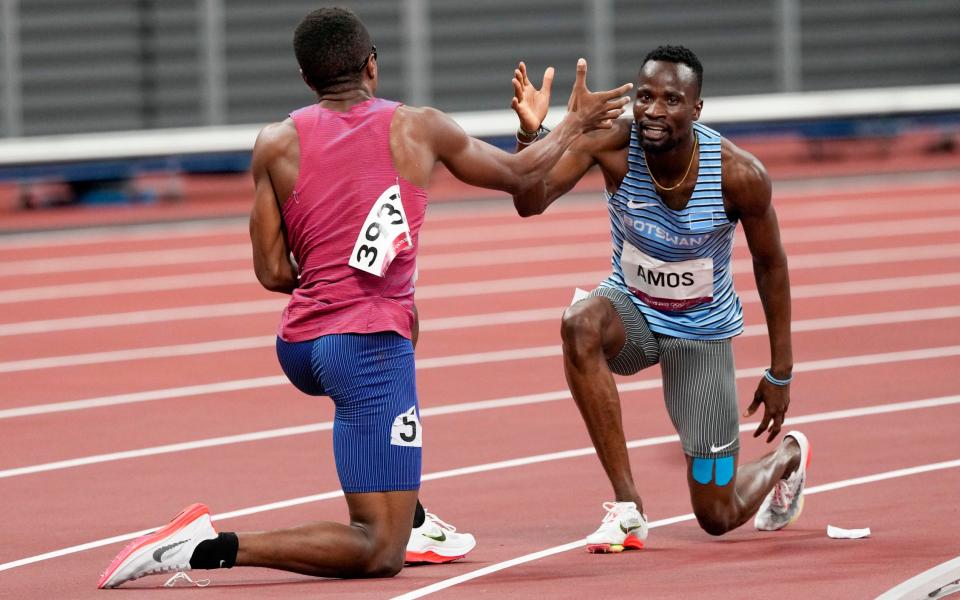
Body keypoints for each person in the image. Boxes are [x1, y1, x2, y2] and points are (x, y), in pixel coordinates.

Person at [97, 6, 632, 588]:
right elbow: (521, 176)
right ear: (372, 66)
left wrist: (332, 275)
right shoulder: (417, 127)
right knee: (379, 549)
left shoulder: (275, 142)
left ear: (306, 79)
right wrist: (570, 126)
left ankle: (416, 513)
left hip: (301, 345)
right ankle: (202, 546)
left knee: (406, 317)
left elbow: (273, 272)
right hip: (364, 351)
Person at [509, 45, 811, 552]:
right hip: (632, 310)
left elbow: (771, 264)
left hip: (702, 332)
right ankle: (628, 508)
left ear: (696, 109)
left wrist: (781, 371)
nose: (652, 110)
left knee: (717, 514)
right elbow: (529, 202)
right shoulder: (610, 144)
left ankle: (788, 459)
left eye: (671, 100)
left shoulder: (739, 175)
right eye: (644, 96)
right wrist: (533, 134)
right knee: (578, 322)